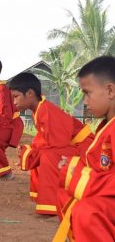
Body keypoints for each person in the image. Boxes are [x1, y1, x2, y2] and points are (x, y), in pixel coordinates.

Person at [8, 72, 94, 215]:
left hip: (85, 148)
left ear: (29, 93)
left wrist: (33, 155)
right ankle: (40, 196)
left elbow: (59, 144)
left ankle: (52, 205)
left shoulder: (46, 110)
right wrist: (30, 152)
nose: (14, 102)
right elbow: (45, 139)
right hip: (73, 145)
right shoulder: (39, 110)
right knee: (36, 152)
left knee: (47, 156)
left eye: (16, 96)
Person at [53, 56, 115, 242]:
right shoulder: (107, 125)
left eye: (87, 93)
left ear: (110, 90)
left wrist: (75, 173)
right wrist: (72, 167)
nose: (85, 102)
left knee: (86, 212)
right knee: (65, 194)